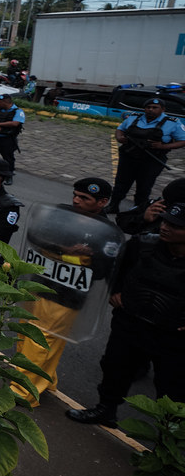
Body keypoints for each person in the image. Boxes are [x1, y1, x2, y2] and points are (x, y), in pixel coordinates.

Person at [66, 202, 185, 427]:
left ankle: (167, 440)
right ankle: (105, 410)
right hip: (131, 323)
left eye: (176, 226)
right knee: (115, 368)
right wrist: (115, 290)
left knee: (172, 390)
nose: (166, 227)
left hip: (173, 336)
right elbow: (114, 268)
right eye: (166, 221)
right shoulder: (142, 244)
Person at [11, 178, 117, 406]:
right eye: (75, 195)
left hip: (67, 295)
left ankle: (24, 390)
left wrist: (60, 255)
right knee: (28, 334)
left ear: (103, 202)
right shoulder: (62, 214)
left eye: (84, 198)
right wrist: (66, 252)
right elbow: (35, 236)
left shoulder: (106, 233)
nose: (76, 201)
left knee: (41, 339)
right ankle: (44, 380)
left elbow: (101, 269)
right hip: (39, 284)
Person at [109, 98, 185, 211]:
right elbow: (120, 128)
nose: (151, 110)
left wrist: (162, 146)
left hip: (152, 160)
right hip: (129, 157)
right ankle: (113, 206)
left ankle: (138, 210)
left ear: (163, 109)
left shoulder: (173, 122)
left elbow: (183, 141)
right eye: (148, 107)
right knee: (121, 183)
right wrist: (119, 137)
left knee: (144, 187)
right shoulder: (135, 117)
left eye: (155, 108)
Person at [0, 93, 25, 184]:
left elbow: (15, 123)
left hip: (7, 139)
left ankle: (8, 176)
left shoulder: (18, 111)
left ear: (5, 102)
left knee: (8, 158)